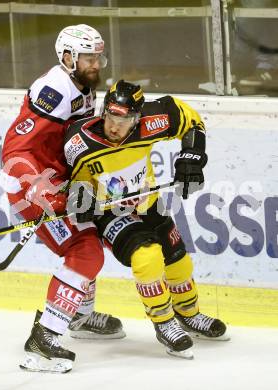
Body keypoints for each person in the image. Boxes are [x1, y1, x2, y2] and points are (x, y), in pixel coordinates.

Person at [64, 80, 229, 360]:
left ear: (137, 118)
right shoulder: (79, 141)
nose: (115, 126)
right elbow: (72, 179)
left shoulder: (151, 122)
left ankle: (188, 314)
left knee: (178, 259)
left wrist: (192, 157)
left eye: (125, 119)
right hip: (110, 213)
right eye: (111, 117)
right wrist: (81, 198)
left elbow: (190, 119)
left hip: (147, 204)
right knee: (148, 257)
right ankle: (164, 323)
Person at [1, 24, 125, 374]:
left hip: (61, 184)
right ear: (67, 57)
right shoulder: (53, 90)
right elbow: (17, 149)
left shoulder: (84, 86)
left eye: (98, 56)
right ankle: (44, 338)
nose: (95, 64)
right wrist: (37, 188)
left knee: (97, 236)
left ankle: (79, 317)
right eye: (88, 57)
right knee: (85, 251)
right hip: (31, 190)